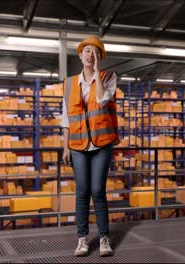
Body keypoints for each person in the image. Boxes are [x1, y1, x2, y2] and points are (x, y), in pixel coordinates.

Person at [61, 35, 119, 257]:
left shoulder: (109, 77)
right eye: (86, 50)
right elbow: (66, 117)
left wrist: (97, 73)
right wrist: (65, 147)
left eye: (95, 51)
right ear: (79, 54)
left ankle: (104, 239)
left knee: (98, 191)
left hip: (101, 143)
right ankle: (82, 240)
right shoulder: (68, 83)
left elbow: (103, 98)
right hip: (77, 144)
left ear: (100, 57)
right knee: (82, 192)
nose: (90, 54)